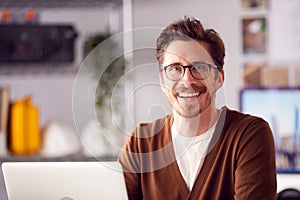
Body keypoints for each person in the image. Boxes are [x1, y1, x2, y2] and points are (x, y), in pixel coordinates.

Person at [119, 16, 277, 200]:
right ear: (162, 80)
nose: (187, 80)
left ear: (219, 78)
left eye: (199, 67)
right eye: (175, 69)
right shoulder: (140, 143)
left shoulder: (249, 135)